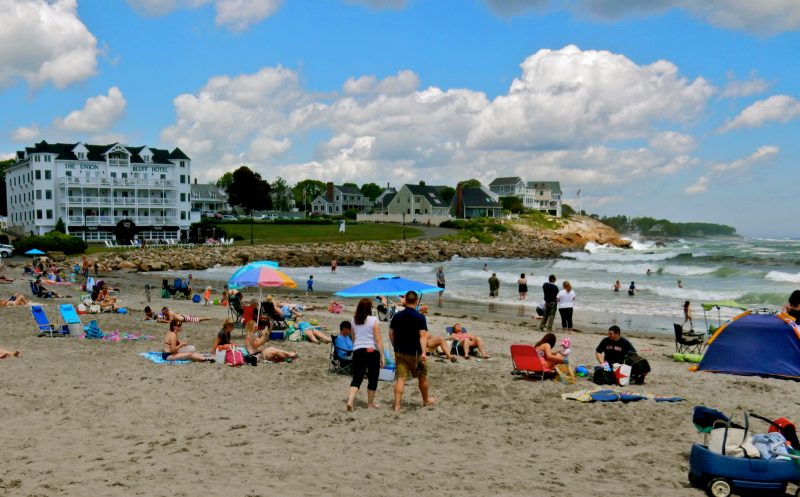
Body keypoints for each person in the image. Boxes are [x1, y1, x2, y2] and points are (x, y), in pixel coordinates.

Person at [389, 290, 435, 411]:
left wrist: (395, 346)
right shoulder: (420, 317)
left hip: (400, 352)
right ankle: (426, 400)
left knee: (401, 379)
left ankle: (397, 405)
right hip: (415, 353)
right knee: (422, 377)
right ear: (416, 301)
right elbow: (423, 336)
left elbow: (391, 333)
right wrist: (424, 352)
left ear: (405, 301)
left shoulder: (397, 316)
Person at [345, 298, 385, 411]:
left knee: (357, 378)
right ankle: (370, 405)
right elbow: (378, 339)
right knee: (373, 378)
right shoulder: (373, 320)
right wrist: (382, 356)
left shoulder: (353, 321)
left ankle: (350, 401)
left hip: (358, 351)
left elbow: (353, 338)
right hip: (371, 351)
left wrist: (357, 347)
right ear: (370, 308)